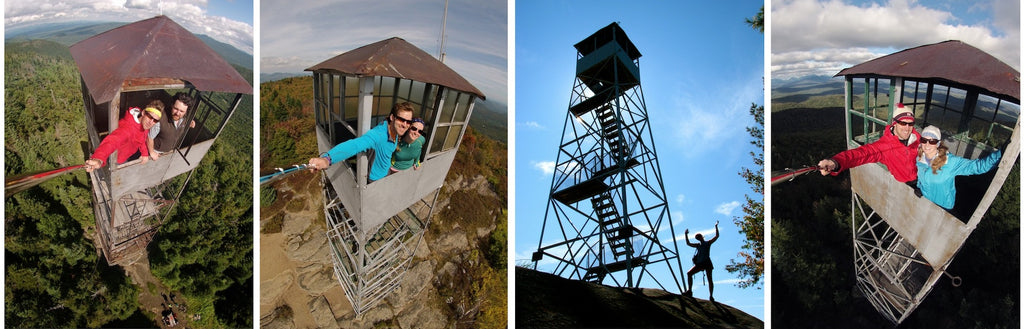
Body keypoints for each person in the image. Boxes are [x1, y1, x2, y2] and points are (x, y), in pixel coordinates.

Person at [308, 102, 414, 182]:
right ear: (392, 117)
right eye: (401, 120)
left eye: (409, 122)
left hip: (386, 172)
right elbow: (355, 145)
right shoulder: (378, 135)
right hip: (376, 179)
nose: (405, 125)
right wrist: (327, 159)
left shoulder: (395, 131)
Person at [818, 103, 921, 183]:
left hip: (923, 182)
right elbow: (861, 154)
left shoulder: (918, 138)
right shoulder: (884, 147)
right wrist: (835, 162)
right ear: (894, 124)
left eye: (910, 123)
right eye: (903, 123)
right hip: (905, 186)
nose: (907, 128)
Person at [916, 125, 1001, 210]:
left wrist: (999, 154)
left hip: (943, 207)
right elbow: (921, 178)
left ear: (938, 144)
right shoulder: (919, 159)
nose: (927, 145)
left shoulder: (949, 162)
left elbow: (977, 166)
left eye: (932, 141)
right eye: (924, 140)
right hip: (926, 203)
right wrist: (920, 188)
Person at [84, 104, 162, 172]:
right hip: (117, 158)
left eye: (155, 120)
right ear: (143, 112)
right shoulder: (128, 129)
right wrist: (99, 158)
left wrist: (144, 153)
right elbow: (112, 142)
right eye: (150, 117)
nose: (151, 122)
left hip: (127, 154)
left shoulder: (144, 125)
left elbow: (142, 138)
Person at [148, 92, 195, 160]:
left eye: (182, 111)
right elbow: (149, 137)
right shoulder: (161, 119)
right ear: (172, 105)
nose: (177, 113)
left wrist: (190, 123)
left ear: (186, 111)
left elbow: (180, 125)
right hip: (156, 153)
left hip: (168, 152)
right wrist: (151, 152)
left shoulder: (184, 118)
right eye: (176, 108)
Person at [683, 221, 719, 302]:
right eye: (697, 238)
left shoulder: (707, 243)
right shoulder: (698, 245)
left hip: (707, 263)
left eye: (699, 237)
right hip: (700, 263)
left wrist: (716, 226)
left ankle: (711, 296)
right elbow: (688, 243)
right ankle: (689, 291)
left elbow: (716, 236)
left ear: (702, 237)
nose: (698, 238)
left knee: (710, 279)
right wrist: (686, 234)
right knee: (689, 273)